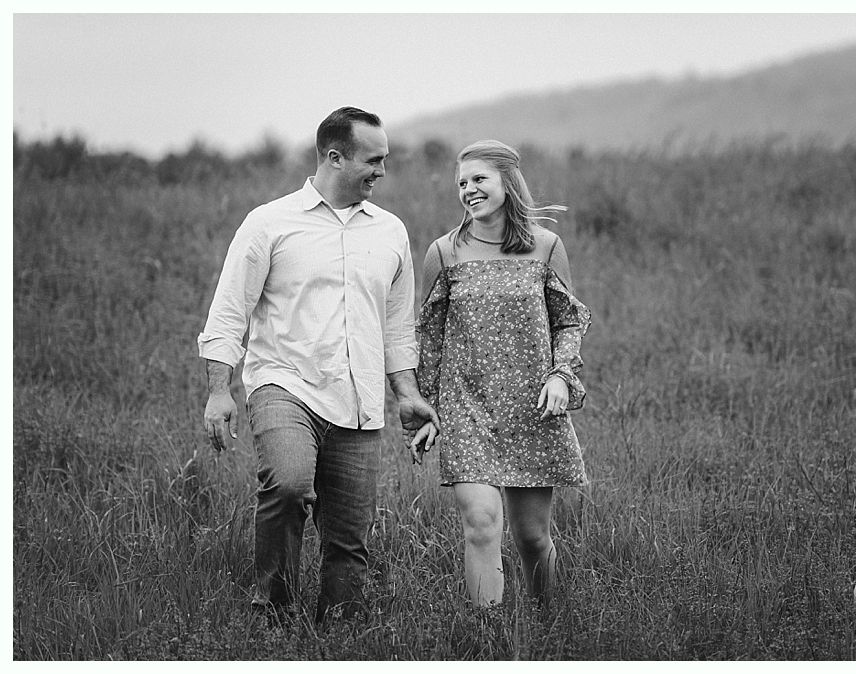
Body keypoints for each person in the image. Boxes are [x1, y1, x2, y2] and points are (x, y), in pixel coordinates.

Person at [197, 106, 438, 625]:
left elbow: (398, 327)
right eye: (374, 160)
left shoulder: (390, 232)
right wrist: (220, 391)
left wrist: (408, 395)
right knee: (287, 485)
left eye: (385, 159)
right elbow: (229, 312)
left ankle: (340, 633)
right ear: (334, 157)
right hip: (285, 383)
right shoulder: (270, 223)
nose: (382, 171)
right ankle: (274, 615)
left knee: (348, 538)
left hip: (359, 398)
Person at [410, 139, 591, 608]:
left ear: (507, 182)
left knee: (532, 537)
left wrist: (560, 375)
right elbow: (428, 339)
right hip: (467, 408)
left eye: (479, 179)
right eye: (461, 183)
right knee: (481, 523)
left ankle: (550, 623)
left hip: (532, 407)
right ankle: (487, 635)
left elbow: (567, 321)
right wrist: (426, 410)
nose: (468, 189)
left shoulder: (546, 247)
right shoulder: (444, 253)